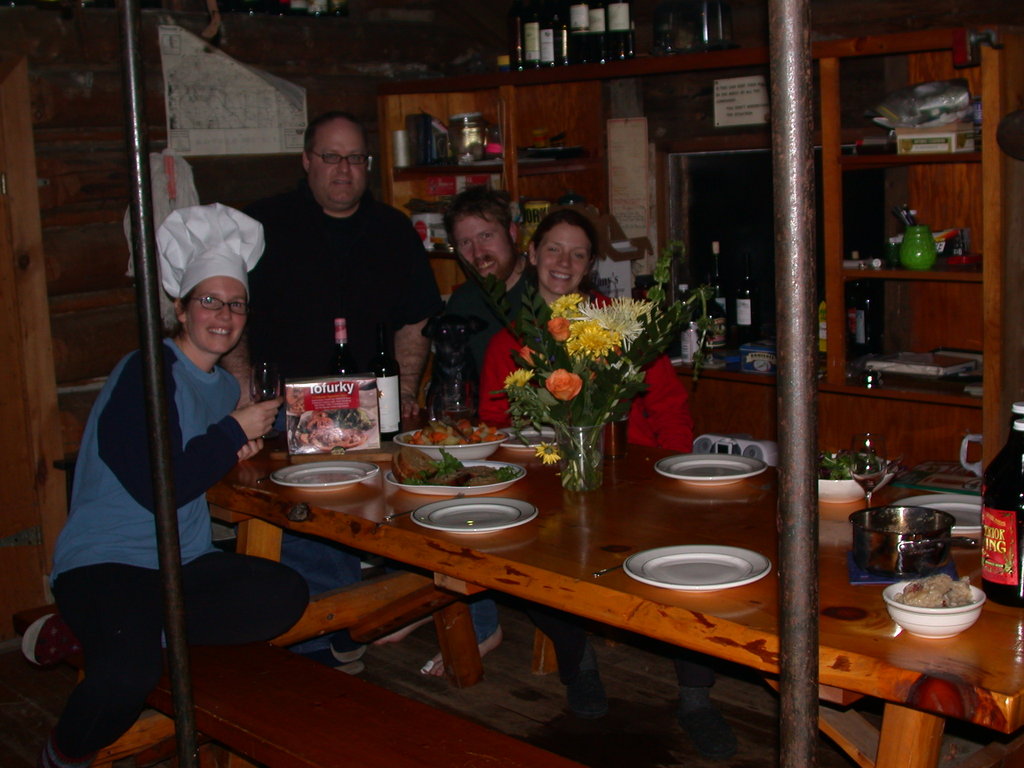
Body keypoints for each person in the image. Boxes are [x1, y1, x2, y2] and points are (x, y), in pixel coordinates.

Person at [22, 204, 309, 768]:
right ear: (180, 307)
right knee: (130, 672)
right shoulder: (145, 371)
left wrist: (236, 445)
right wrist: (230, 434)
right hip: (109, 561)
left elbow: (200, 459)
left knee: (285, 595)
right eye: (208, 300)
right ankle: (61, 755)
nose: (223, 315)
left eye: (235, 303)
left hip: (182, 561)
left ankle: (98, 631)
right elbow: (161, 485)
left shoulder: (225, 389)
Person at [478, 208, 736, 761]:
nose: (563, 263)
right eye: (553, 250)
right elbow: (494, 424)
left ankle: (695, 697)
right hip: (550, 479)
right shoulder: (509, 340)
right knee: (527, 559)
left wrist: (672, 471)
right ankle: (580, 664)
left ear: (591, 264)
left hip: (635, 474)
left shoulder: (621, 323)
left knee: (692, 564)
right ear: (532, 254)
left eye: (576, 253)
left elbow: (668, 405)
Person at [231, 111, 444, 673]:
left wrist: (408, 395)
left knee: (413, 516)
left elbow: (416, 322)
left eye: (354, 158)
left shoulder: (393, 230)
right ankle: (316, 653)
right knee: (307, 527)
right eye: (331, 157)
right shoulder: (261, 227)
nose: (343, 169)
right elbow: (230, 311)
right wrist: (242, 391)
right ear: (307, 161)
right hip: (283, 415)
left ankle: (347, 633)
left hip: (374, 416)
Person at [442, 186, 527, 376]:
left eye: (486, 236)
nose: (478, 253)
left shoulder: (547, 288)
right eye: (465, 243)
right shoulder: (462, 303)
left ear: (512, 233)